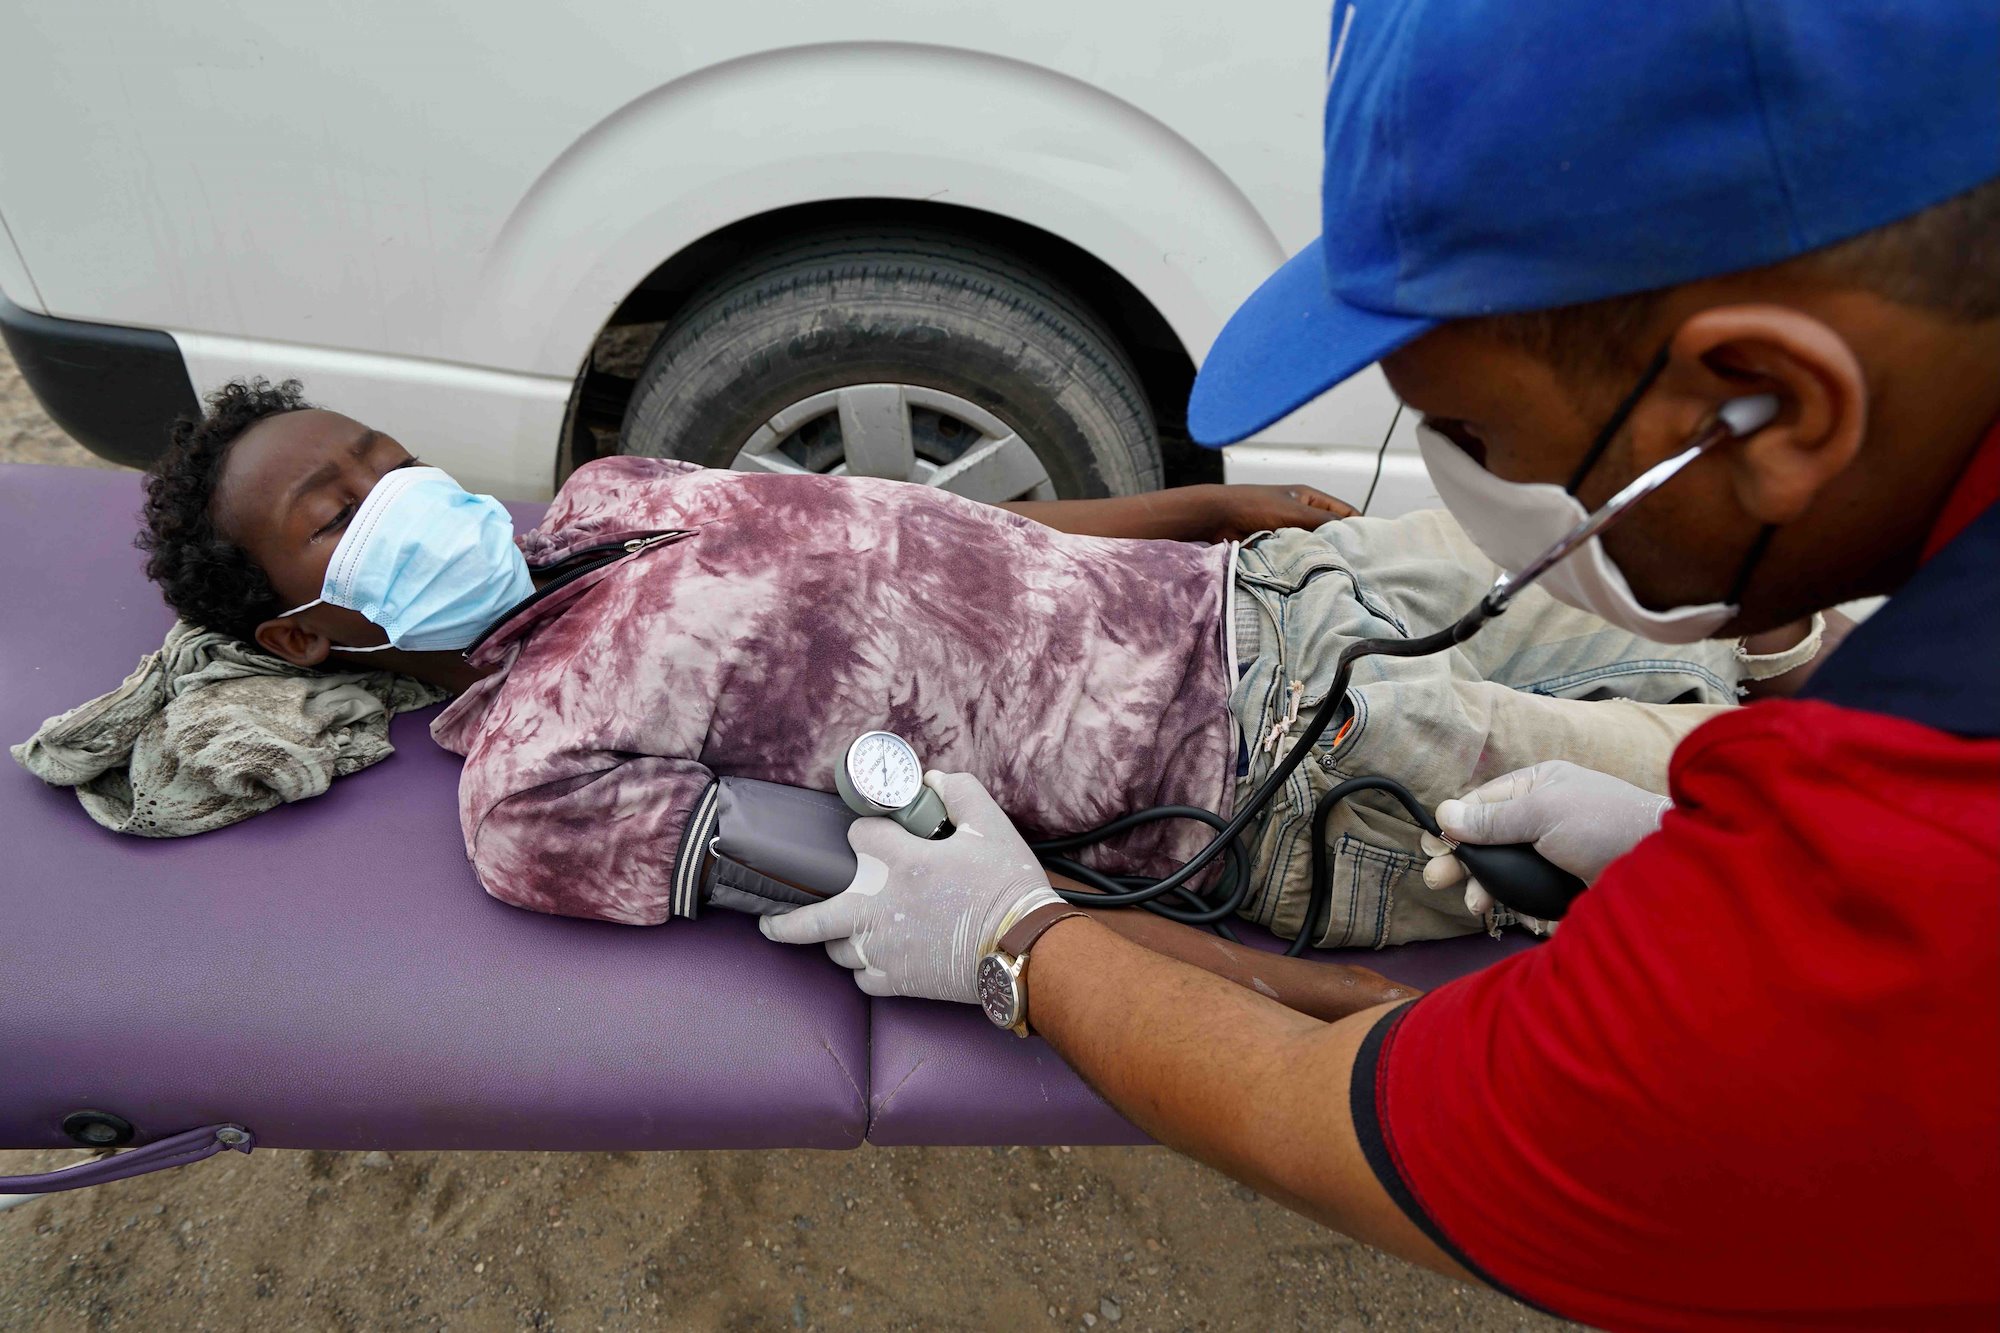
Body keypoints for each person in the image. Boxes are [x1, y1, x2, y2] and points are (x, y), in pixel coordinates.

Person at [754, 2, 2000, 1328]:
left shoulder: (1909, 902)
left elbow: (1372, 1126)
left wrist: (1017, 938)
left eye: (1478, 428)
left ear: (1768, 403)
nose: (1473, 482)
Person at [134, 377, 1788, 995]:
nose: (399, 488)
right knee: (1772, 802)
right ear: (302, 630)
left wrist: (1208, 511)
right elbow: (925, 873)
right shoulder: (534, 784)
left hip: (1275, 591)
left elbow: (933, 529)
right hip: (1293, 762)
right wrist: (1298, 1000)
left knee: (1745, 601)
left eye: (378, 452)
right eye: (336, 511)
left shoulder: (616, 489)